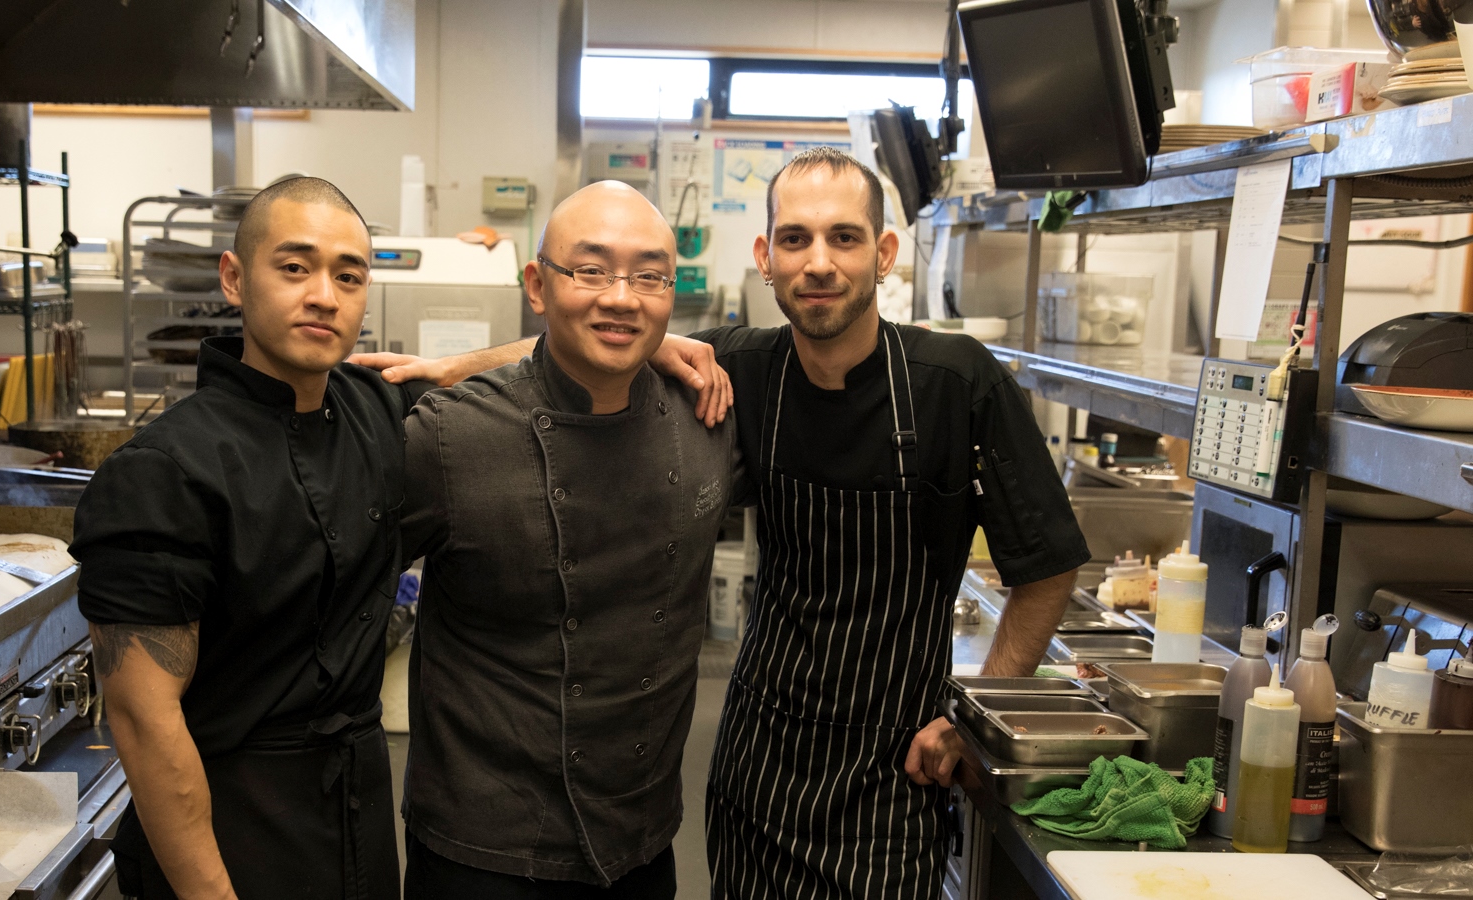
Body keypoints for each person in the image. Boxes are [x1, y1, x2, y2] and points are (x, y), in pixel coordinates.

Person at [360, 149, 1087, 899]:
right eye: (797, 240)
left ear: (885, 253)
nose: (820, 264)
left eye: (845, 237)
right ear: (766, 259)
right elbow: (602, 340)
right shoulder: (745, 365)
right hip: (759, 764)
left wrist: (969, 716)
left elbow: (1048, 560)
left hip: (891, 771)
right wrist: (456, 368)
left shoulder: (958, 381)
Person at [69, 177, 431, 900]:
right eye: (294, 268)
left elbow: (527, 377)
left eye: (348, 276)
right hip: (228, 830)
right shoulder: (164, 472)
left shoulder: (374, 411)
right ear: (235, 280)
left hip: (357, 821)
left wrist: (657, 344)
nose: (324, 294)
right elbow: (143, 719)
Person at [397, 181, 745, 899]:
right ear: (538, 284)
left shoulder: (708, 413)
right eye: (590, 271)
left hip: (641, 844)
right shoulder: (448, 435)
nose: (621, 297)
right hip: (484, 852)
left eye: (648, 276)